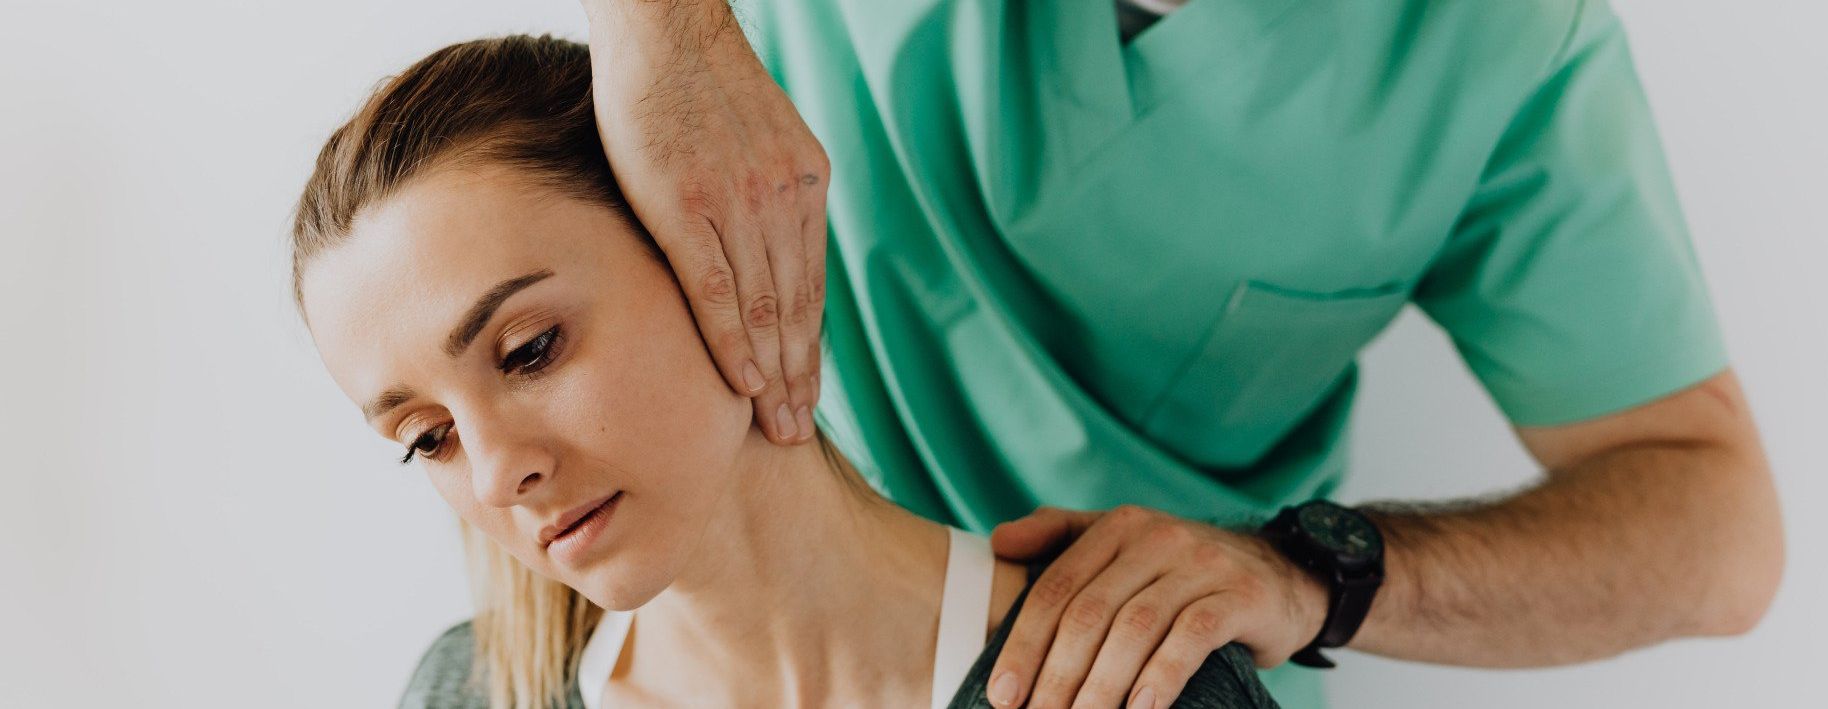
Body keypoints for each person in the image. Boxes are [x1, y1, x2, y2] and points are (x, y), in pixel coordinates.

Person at [572, 0, 1786, 707]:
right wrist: (657, 29)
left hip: (1124, 682)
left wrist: (1318, 575)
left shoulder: (1498, 45)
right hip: (714, 623)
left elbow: (1717, 530)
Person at [290, 35, 1280, 708]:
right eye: (428, 435)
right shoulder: (472, 690)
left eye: (529, 350)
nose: (499, 472)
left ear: (714, 250)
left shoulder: (1126, 679)